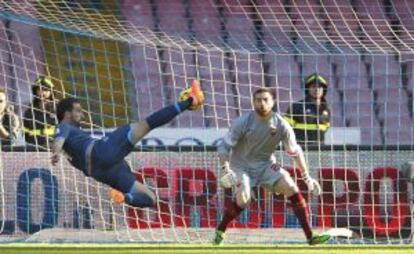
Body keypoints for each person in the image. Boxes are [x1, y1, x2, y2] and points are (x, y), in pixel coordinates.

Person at [51, 80, 204, 208]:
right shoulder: (63, 126)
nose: (82, 115)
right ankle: (190, 100)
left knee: (150, 197)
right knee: (145, 125)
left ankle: (124, 198)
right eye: (77, 111)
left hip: (102, 172)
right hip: (100, 152)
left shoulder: (72, 135)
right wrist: (55, 153)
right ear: (66, 114)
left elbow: (61, 142)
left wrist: (58, 152)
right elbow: (59, 140)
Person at [213, 87, 330, 245]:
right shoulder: (243, 122)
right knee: (245, 198)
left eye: (265, 99)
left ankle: (310, 237)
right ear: (253, 102)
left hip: (266, 165)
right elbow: (223, 147)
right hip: (240, 166)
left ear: (273, 102)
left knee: (291, 187)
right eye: (258, 100)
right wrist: (226, 168)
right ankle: (220, 231)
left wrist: (306, 176)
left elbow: (295, 152)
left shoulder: (282, 125)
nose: (261, 103)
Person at [284, 73, 330, 145]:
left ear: (324, 90)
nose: (316, 90)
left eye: (319, 87)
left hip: (320, 150)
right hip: (300, 149)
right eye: (313, 86)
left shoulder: (326, 109)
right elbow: (285, 127)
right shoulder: (297, 106)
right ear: (307, 89)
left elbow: (326, 127)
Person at [23, 76, 57, 147]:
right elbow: (26, 130)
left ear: (51, 91)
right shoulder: (30, 111)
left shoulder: (59, 108)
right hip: (34, 146)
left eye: (45, 90)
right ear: (35, 91)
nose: (42, 92)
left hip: (54, 146)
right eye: (40, 90)